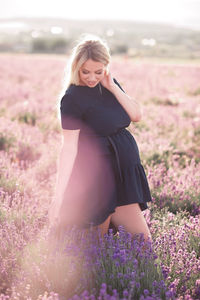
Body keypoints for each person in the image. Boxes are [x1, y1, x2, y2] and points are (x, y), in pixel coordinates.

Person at [48, 34, 152, 242]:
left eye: (98, 71)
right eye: (85, 71)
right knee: (93, 250)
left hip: (123, 177)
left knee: (144, 244)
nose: (92, 78)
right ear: (76, 67)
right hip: (98, 181)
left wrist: (112, 86)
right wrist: (58, 198)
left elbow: (136, 115)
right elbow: (68, 148)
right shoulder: (71, 99)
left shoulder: (110, 85)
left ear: (106, 66)